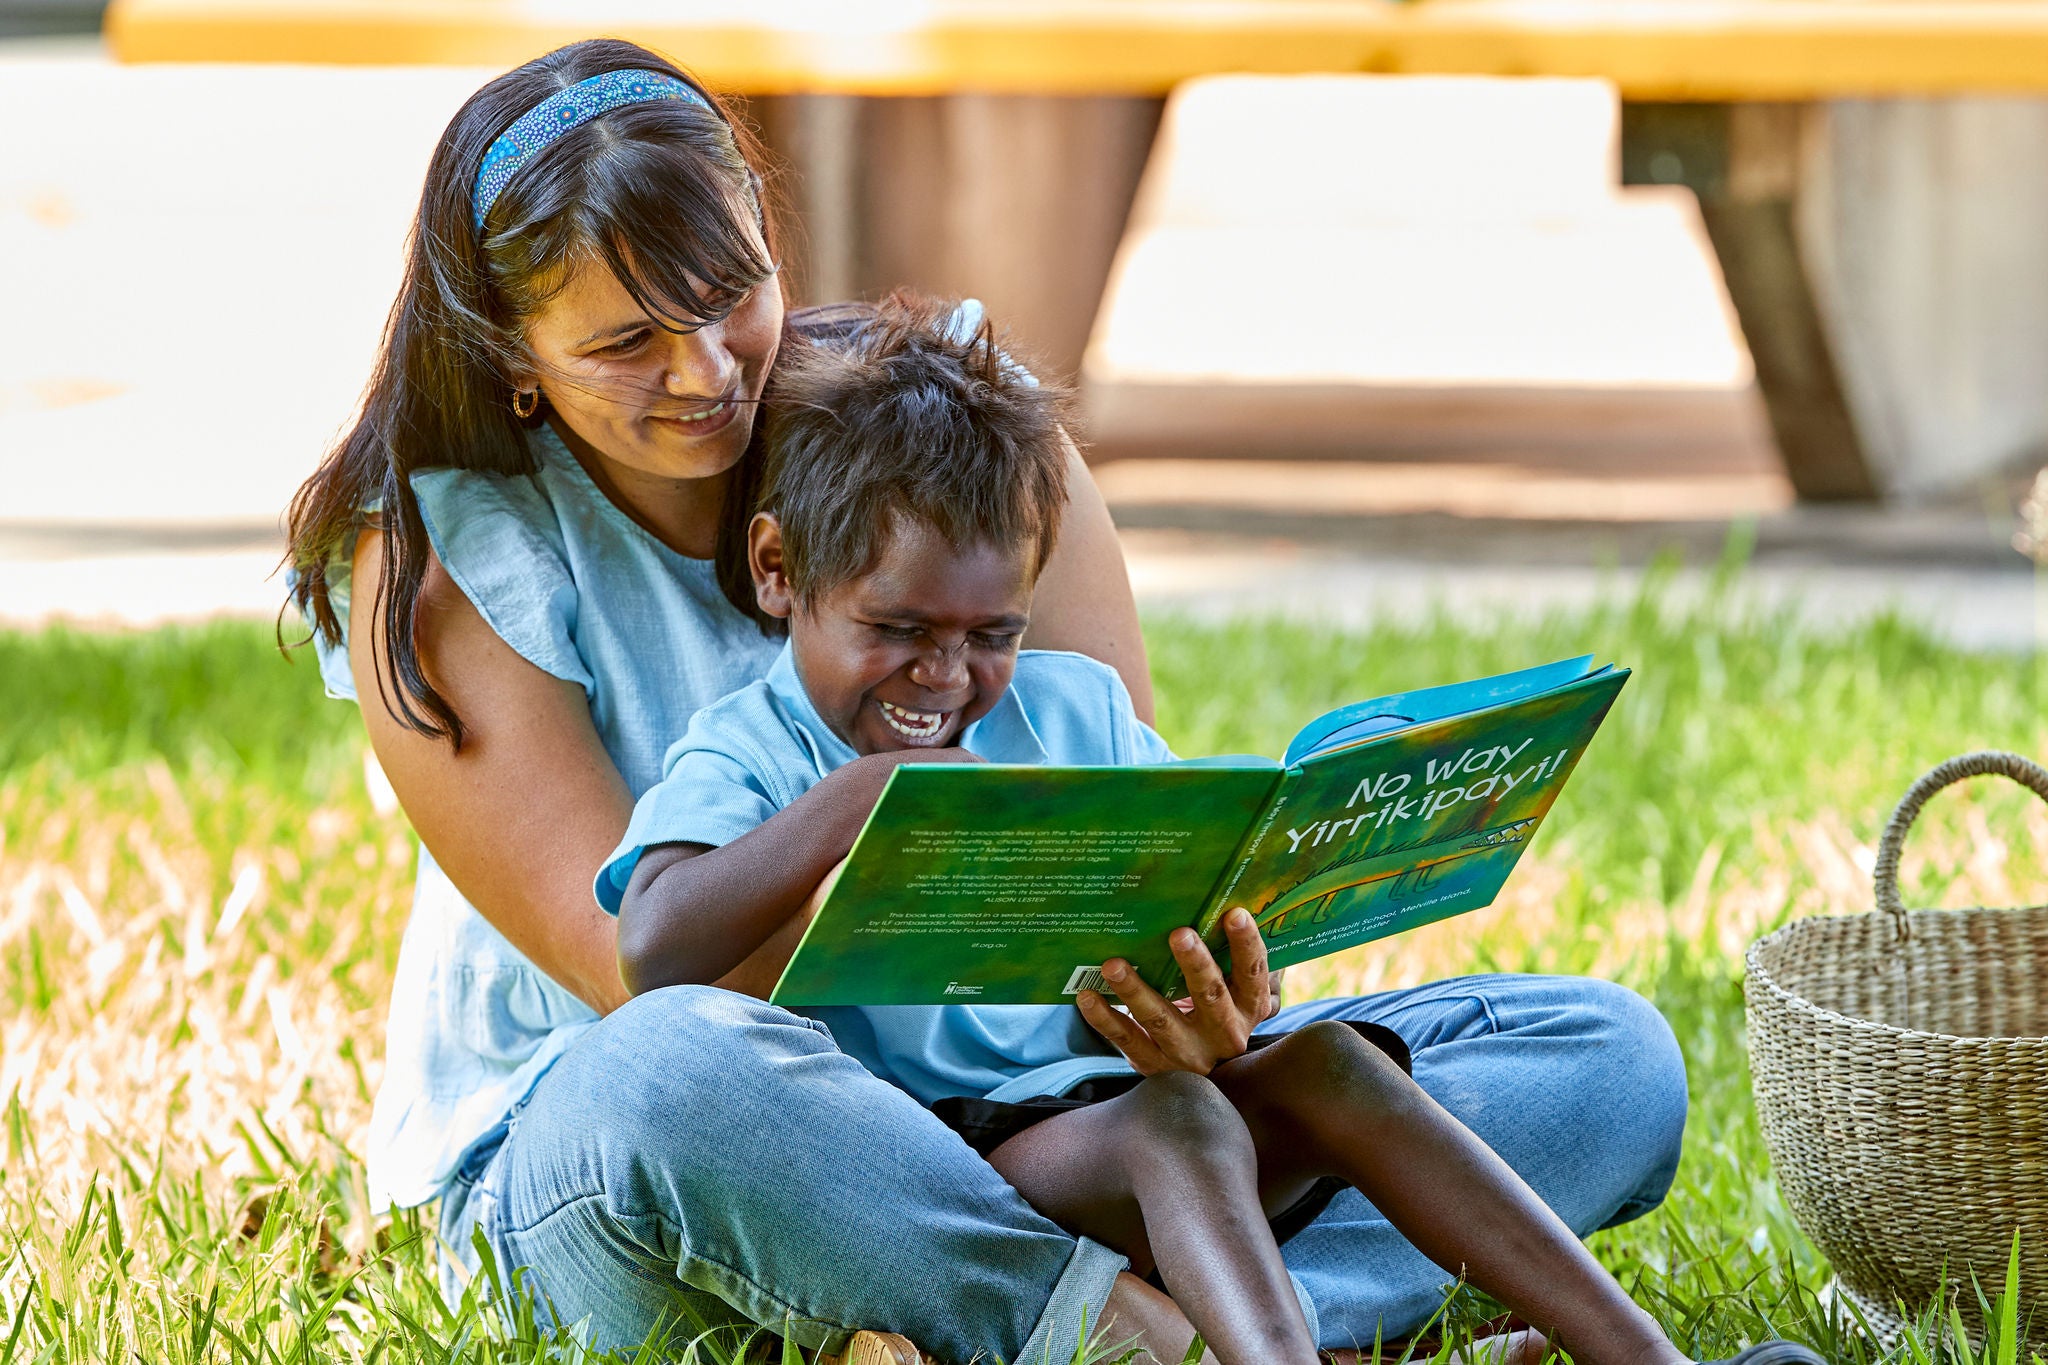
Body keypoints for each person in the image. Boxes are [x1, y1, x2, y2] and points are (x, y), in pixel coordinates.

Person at [284, 36, 1694, 1365]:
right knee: (669, 1070)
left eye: (731, 296)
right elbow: (653, 972)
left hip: (1052, 1112)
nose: (707, 373)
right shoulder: (445, 563)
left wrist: (1171, 987)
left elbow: (1112, 842)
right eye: (624, 344)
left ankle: (1165, 1324)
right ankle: (1139, 1331)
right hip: (674, 1153)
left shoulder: (966, 433)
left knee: (1602, 1059)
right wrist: (908, 836)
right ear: (513, 358)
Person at [600, 292, 1824, 1365]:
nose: (947, 677)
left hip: (1129, 1102)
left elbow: (1189, 896)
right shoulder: (751, 747)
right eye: (898, 630)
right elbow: (654, 954)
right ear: (776, 570)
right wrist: (850, 808)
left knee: (1400, 1061)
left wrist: (1227, 973)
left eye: (992, 635)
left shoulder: (1069, 704)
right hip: (959, 1169)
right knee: (1177, 1123)